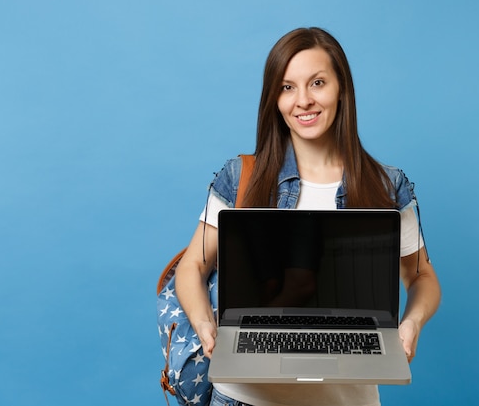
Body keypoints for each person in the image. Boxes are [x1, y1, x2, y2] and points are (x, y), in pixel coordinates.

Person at [175, 27, 441, 406]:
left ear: (341, 89)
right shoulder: (240, 177)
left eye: (317, 82)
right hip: (243, 399)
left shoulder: (386, 185)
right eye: (287, 87)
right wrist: (206, 326)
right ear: (274, 100)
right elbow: (192, 266)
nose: (303, 101)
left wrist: (411, 323)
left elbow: (422, 276)